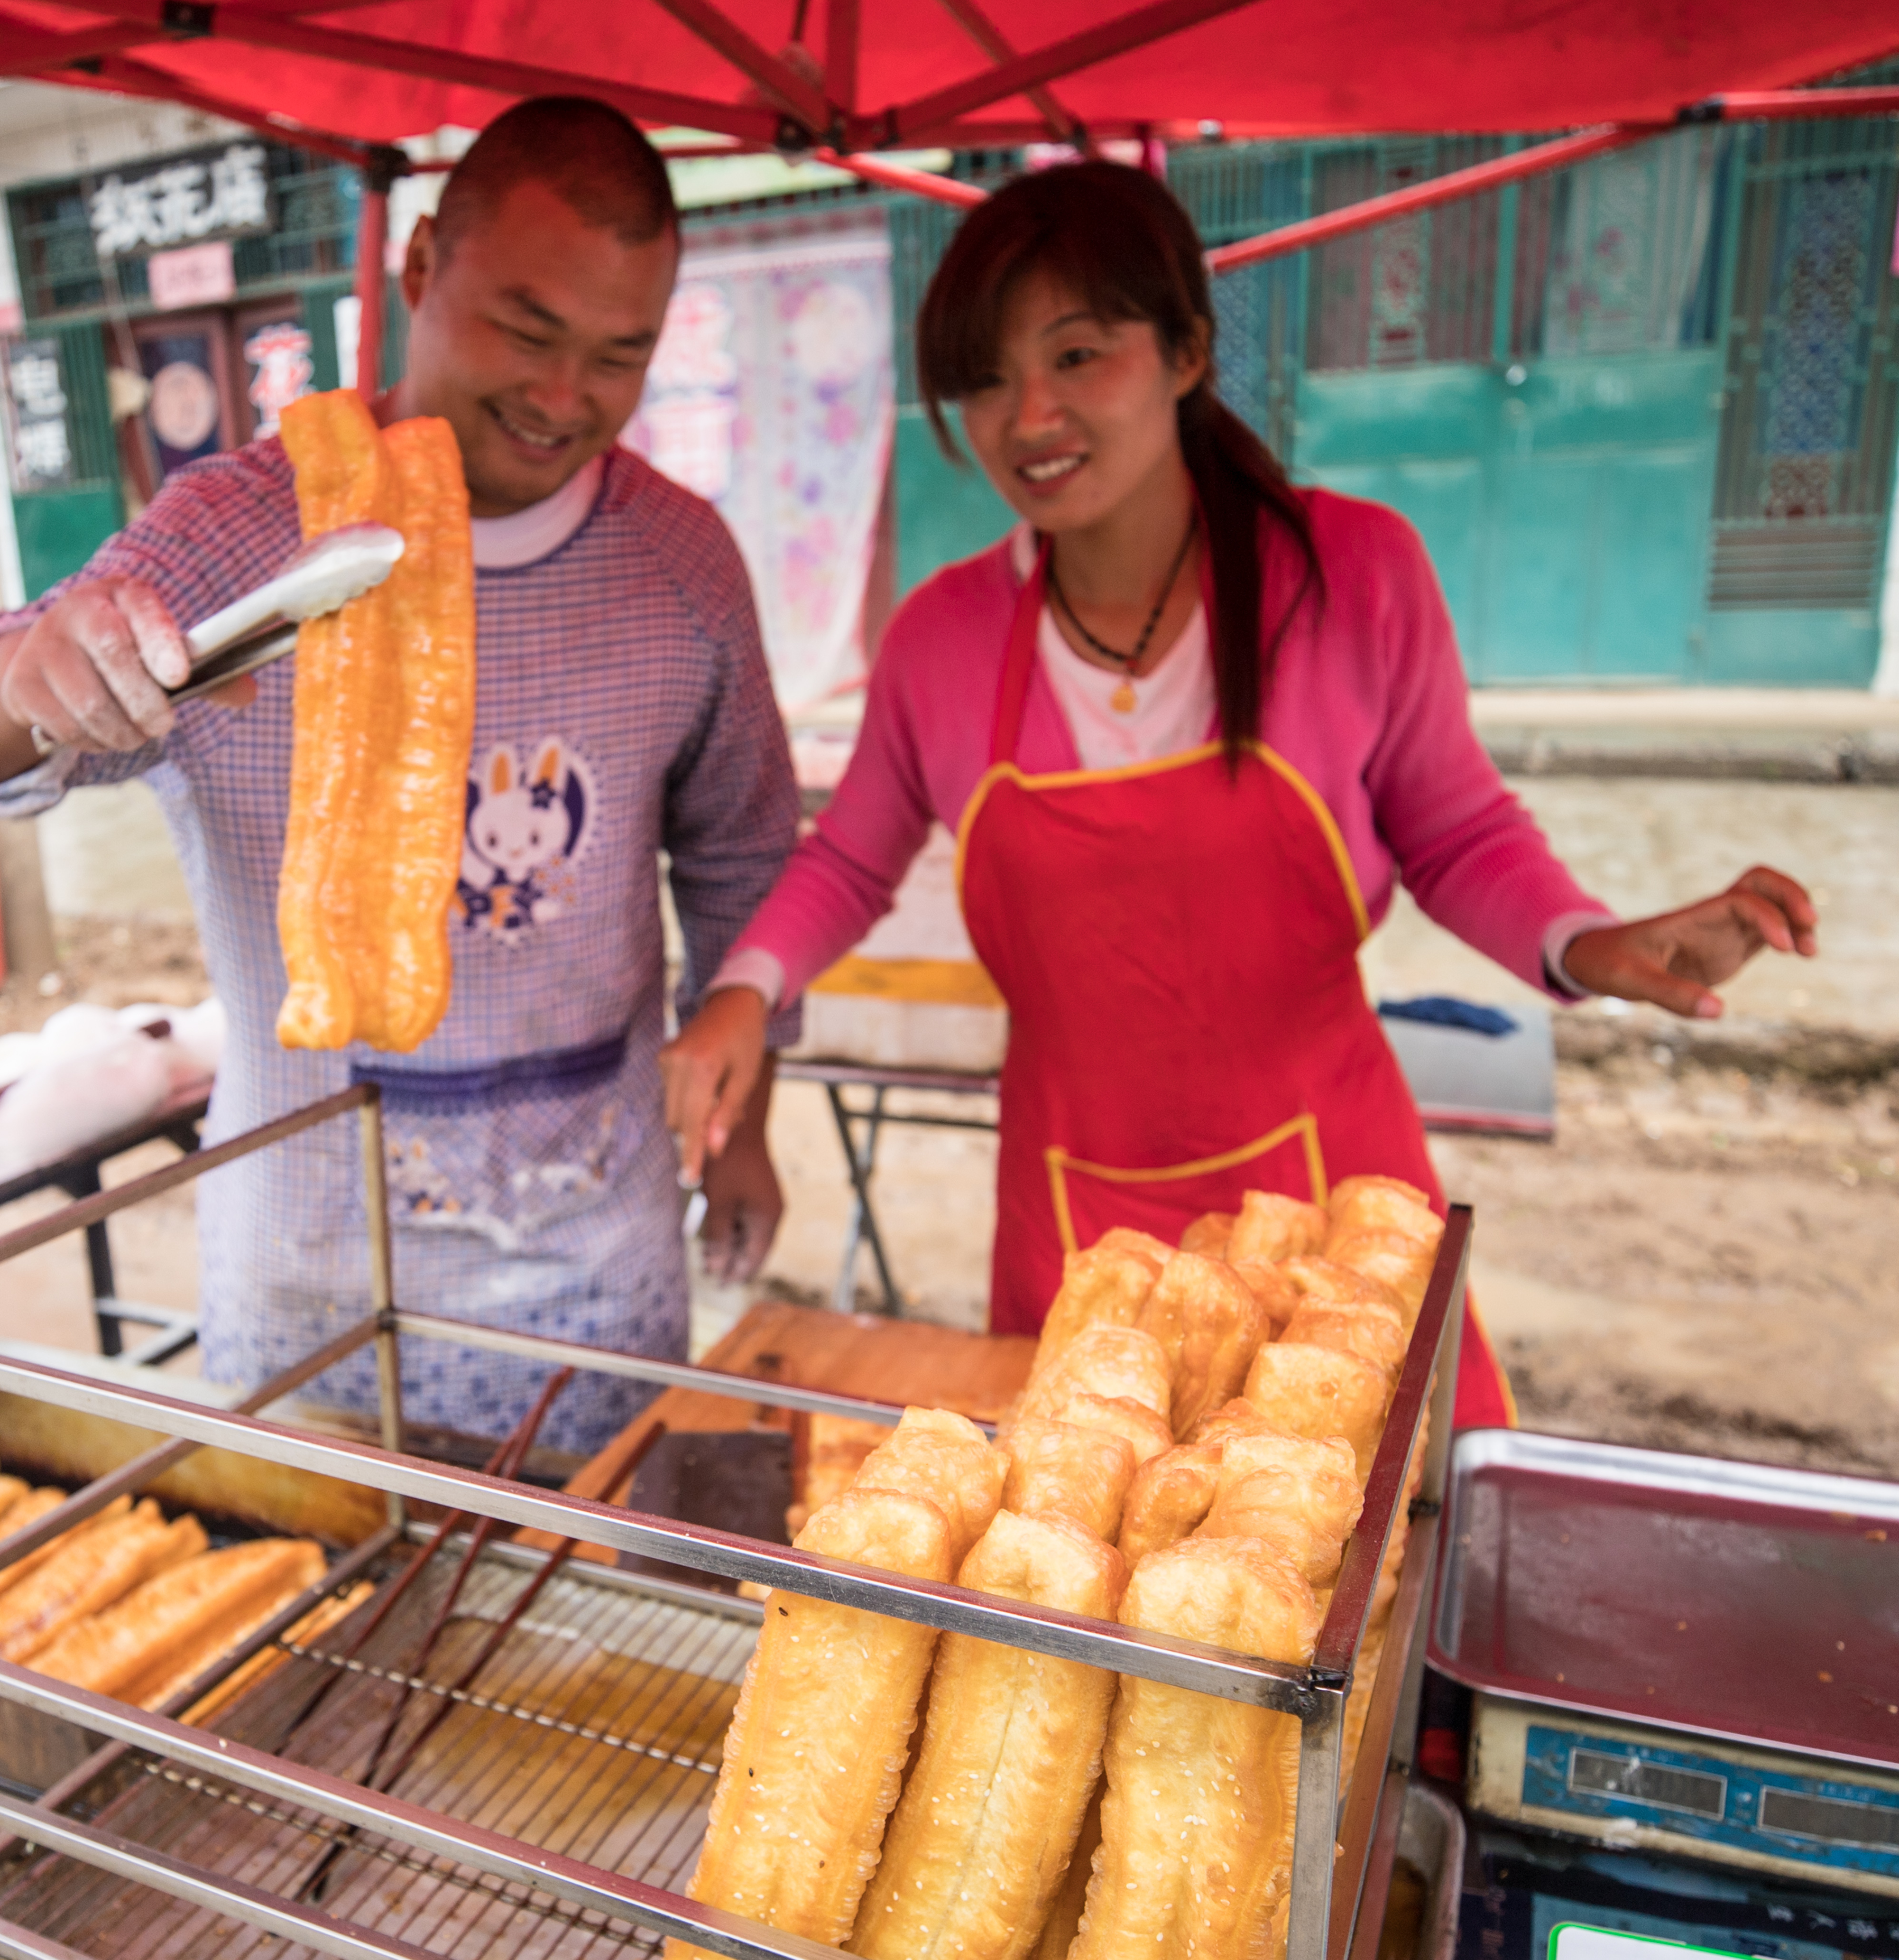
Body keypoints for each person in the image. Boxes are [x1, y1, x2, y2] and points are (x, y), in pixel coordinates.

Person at [662, 162, 1816, 1428]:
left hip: (1331, 1206)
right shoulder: (944, 636)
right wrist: (739, 996)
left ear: (1187, 351)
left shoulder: (1349, 573)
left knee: (1362, 1566)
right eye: (986, 378)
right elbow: (850, 863)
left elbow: (1459, 830)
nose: (1028, 413)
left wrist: (1591, 944)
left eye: (1079, 355)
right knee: (1084, 1579)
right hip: (1070, 1224)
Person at [0, 99, 800, 1457]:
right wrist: (26, 673)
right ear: (422, 265)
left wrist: (743, 1127)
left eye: (621, 354)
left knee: (597, 1618)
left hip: (594, 1274)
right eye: (527, 329)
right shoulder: (240, 539)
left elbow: (742, 861)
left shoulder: (682, 569)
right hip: (313, 1267)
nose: (566, 399)